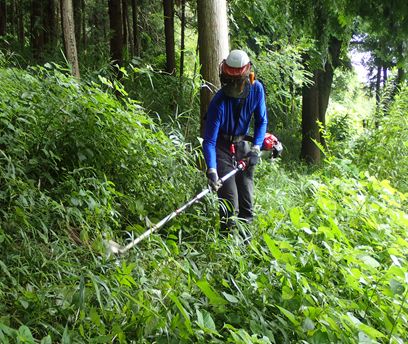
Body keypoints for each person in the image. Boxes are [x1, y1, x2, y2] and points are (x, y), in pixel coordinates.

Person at [203, 49, 268, 230]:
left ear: (247, 77)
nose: (233, 86)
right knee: (230, 201)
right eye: (229, 81)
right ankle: (226, 245)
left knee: (246, 200)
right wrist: (212, 170)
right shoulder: (219, 101)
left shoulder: (256, 90)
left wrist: (255, 148)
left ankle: (245, 245)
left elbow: (262, 120)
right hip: (222, 148)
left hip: (243, 146)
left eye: (236, 82)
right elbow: (209, 141)